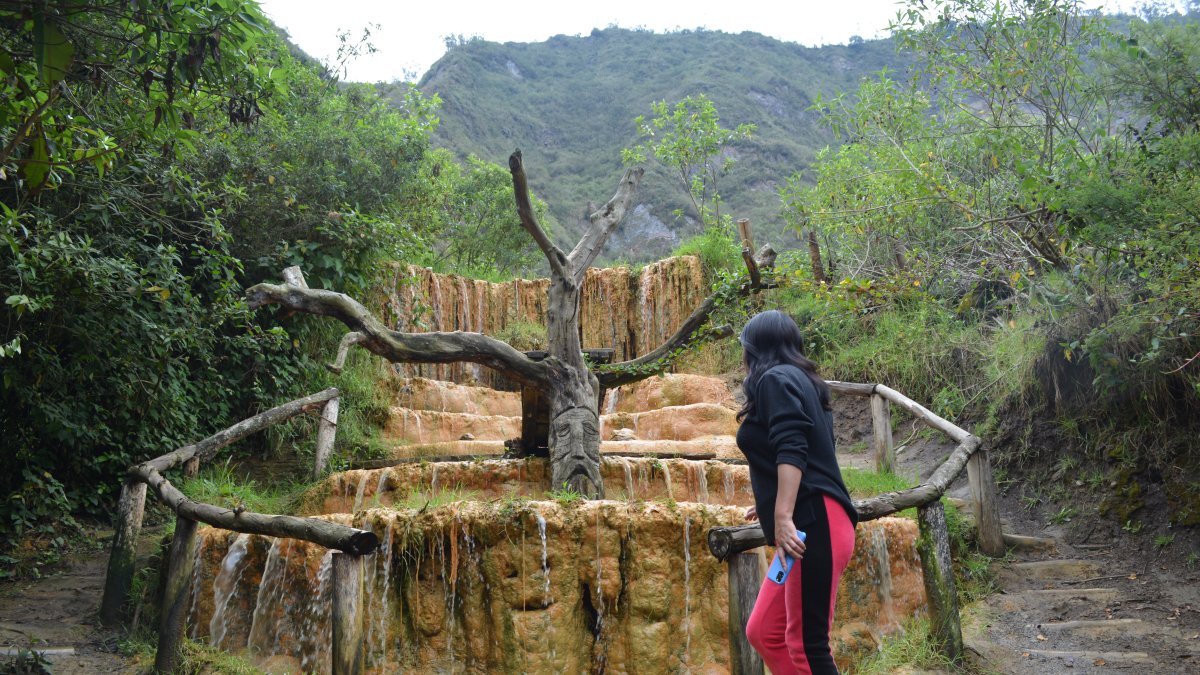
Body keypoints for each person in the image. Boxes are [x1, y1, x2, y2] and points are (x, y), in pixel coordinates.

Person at [735, 310, 858, 674]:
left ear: (754, 349)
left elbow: (793, 447)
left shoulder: (774, 379)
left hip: (811, 523)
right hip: (812, 521)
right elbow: (814, 454)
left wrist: (783, 514)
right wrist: (771, 500)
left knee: (808, 646)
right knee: (764, 632)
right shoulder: (804, 381)